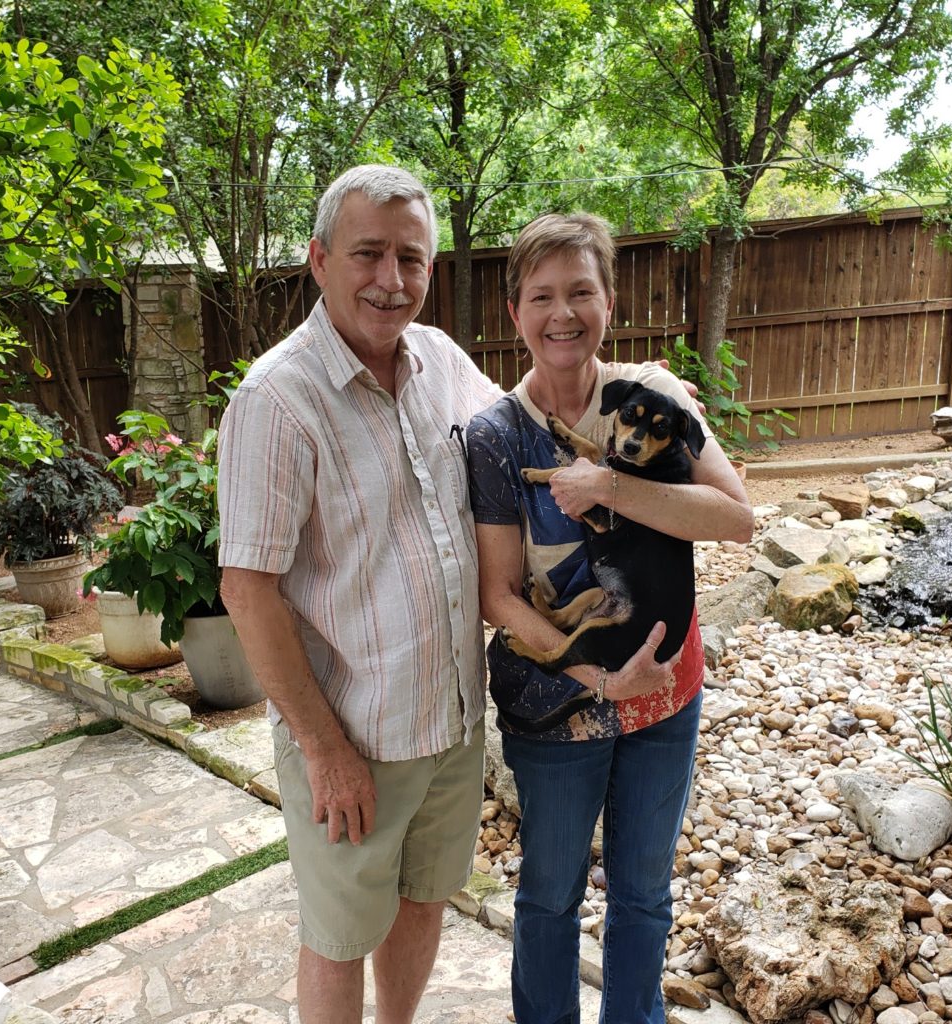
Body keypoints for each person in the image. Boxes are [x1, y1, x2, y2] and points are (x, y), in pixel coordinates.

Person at [215, 167, 685, 1024]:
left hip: (450, 719)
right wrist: (323, 749)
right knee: (338, 936)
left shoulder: (440, 361)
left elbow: (534, 411)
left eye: (411, 258)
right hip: (355, 733)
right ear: (319, 260)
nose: (390, 279)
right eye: (368, 254)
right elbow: (247, 591)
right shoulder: (276, 401)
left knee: (424, 902)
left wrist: (635, 380)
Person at [466, 212, 754, 1024]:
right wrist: (598, 678)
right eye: (541, 296)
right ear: (515, 312)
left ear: (609, 302)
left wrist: (611, 486)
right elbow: (498, 595)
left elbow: (736, 519)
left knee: (644, 895)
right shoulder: (495, 436)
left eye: (581, 292)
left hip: (666, 691)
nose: (563, 313)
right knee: (549, 897)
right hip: (559, 701)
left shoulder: (651, 397)